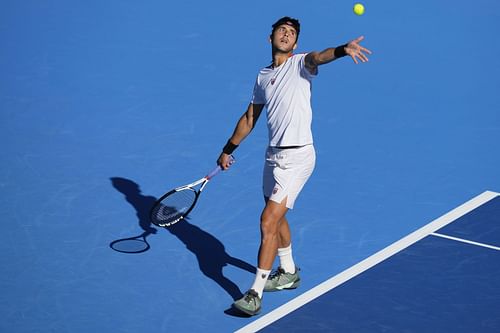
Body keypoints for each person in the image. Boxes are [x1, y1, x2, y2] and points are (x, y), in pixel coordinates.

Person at [217, 16, 372, 316]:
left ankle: (254, 293)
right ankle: (288, 271)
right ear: (270, 37)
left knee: (267, 221)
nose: (286, 34)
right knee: (277, 218)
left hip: (299, 157)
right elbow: (250, 118)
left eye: (292, 33)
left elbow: (319, 56)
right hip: (272, 156)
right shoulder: (263, 76)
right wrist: (227, 149)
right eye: (281, 30)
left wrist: (341, 50)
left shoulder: (302, 64)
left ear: (296, 43)